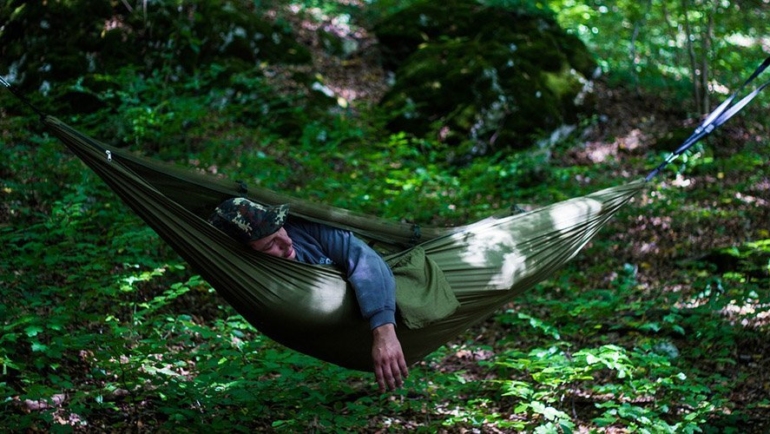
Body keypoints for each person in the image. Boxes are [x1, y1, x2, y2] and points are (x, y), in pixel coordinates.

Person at [209, 197, 408, 392]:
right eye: (270, 245)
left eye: (280, 229)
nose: (287, 243)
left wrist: (384, 331)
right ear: (248, 254)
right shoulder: (253, 278)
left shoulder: (305, 229)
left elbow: (364, 260)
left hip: (390, 294)